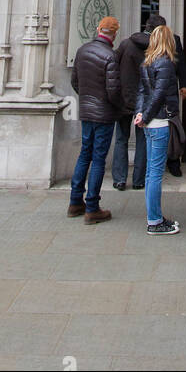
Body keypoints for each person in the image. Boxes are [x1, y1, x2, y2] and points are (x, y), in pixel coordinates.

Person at [68, 16, 123, 224]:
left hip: (87, 112)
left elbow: (75, 81)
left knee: (85, 153)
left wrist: (87, 98)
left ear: (99, 29)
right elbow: (113, 90)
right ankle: (92, 206)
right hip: (104, 114)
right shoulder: (110, 55)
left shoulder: (82, 51)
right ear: (114, 33)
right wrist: (118, 106)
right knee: (98, 158)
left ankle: (75, 201)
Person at [134, 24, 181, 234]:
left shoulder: (147, 62)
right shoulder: (165, 63)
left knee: (150, 173)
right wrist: (146, 115)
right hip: (159, 121)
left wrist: (140, 114)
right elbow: (159, 94)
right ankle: (154, 221)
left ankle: (154, 215)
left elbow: (142, 92)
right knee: (155, 174)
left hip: (149, 122)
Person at [146, 13, 186, 176]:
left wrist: (184, 84)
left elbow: (181, 63)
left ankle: (173, 162)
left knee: (172, 126)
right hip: (152, 91)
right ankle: (151, 166)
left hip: (169, 91)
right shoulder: (144, 41)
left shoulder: (175, 40)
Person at [112, 23, 152, 190]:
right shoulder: (154, 48)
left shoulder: (126, 44)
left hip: (124, 97)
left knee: (121, 139)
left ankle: (120, 179)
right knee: (142, 140)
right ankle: (139, 180)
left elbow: (113, 66)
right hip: (143, 99)